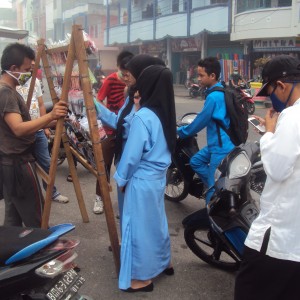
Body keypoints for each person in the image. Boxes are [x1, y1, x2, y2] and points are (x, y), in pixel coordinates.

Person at [234, 55, 300, 300]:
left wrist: (270, 133)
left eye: (270, 90)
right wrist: (272, 132)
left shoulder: (292, 116)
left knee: (249, 290)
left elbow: (278, 168)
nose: (270, 97)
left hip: (279, 239)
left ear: (282, 86)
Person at [113, 55, 177, 292]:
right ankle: (164, 262)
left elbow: (131, 157)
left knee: (138, 228)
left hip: (141, 180)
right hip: (158, 178)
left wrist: (121, 180)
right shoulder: (164, 113)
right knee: (157, 224)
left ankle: (141, 278)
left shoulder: (143, 117)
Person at [0, 43, 68, 227]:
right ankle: (39, 252)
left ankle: (12, 253)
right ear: (13, 68)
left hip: (10, 164)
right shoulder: (5, 93)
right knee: (36, 219)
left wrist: (52, 121)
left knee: (13, 219)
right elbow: (18, 129)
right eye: (27, 70)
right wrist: (51, 115)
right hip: (19, 165)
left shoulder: (8, 90)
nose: (30, 74)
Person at [94, 54, 166, 227]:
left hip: (135, 173)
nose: (124, 78)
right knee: (130, 218)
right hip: (128, 167)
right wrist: (94, 105)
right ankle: (126, 245)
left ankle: (129, 249)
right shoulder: (132, 98)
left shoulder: (146, 110)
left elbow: (134, 152)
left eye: (128, 74)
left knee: (136, 222)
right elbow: (119, 122)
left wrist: (122, 178)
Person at [177, 57, 234, 204]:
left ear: (212, 76)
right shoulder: (222, 90)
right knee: (195, 161)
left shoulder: (214, 97)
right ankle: (214, 182)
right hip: (219, 144)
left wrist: (180, 132)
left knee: (212, 191)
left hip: (221, 148)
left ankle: (213, 218)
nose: (199, 78)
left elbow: (201, 121)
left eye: (202, 75)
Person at [17, 60, 69, 203]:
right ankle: (28, 197)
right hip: (22, 132)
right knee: (24, 167)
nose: (31, 69)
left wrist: (45, 125)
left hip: (38, 130)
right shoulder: (15, 83)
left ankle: (52, 192)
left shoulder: (36, 82)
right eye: (29, 66)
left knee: (46, 163)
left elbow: (40, 104)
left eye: (34, 66)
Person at [93, 50, 133, 214]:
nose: (126, 78)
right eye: (123, 74)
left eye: (128, 74)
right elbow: (98, 100)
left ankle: (125, 204)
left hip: (127, 131)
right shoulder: (110, 81)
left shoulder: (134, 84)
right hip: (111, 130)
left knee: (125, 168)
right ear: (118, 68)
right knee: (104, 165)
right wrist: (105, 116)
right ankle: (99, 197)